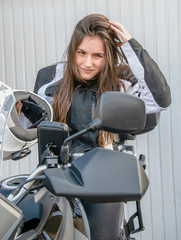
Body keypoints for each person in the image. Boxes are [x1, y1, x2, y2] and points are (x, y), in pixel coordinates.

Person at [34, 14, 171, 240]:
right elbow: (32, 124)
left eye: (98, 55)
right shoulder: (51, 77)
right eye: (82, 53)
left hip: (104, 178)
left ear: (108, 56)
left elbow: (159, 100)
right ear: (73, 51)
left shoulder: (122, 81)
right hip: (56, 173)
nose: (88, 63)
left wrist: (130, 46)